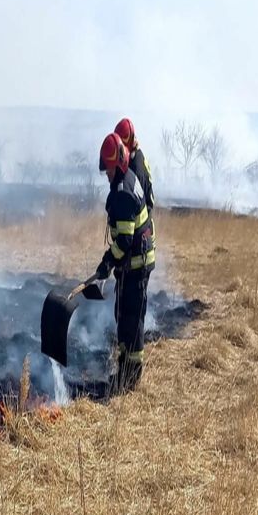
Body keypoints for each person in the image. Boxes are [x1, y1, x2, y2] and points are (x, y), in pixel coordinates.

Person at [95, 132, 155, 395]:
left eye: (108, 169)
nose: (106, 174)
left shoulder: (122, 193)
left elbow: (125, 241)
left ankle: (130, 380)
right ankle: (124, 369)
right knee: (124, 316)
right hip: (134, 264)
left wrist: (108, 261)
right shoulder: (129, 178)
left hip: (136, 266)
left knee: (131, 322)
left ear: (117, 164)